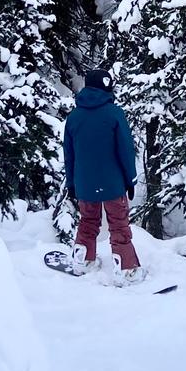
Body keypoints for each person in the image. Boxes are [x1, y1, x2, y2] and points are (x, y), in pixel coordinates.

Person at [63, 67, 144, 279]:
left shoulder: (73, 117)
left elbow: (69, 155)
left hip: (84, 183)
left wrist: (71, 184)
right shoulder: (114, 114)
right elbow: (125, 150)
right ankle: (126, 268)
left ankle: (83, 260)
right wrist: (130, 180)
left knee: (87, 221)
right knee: (118, 224)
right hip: (113, 182)